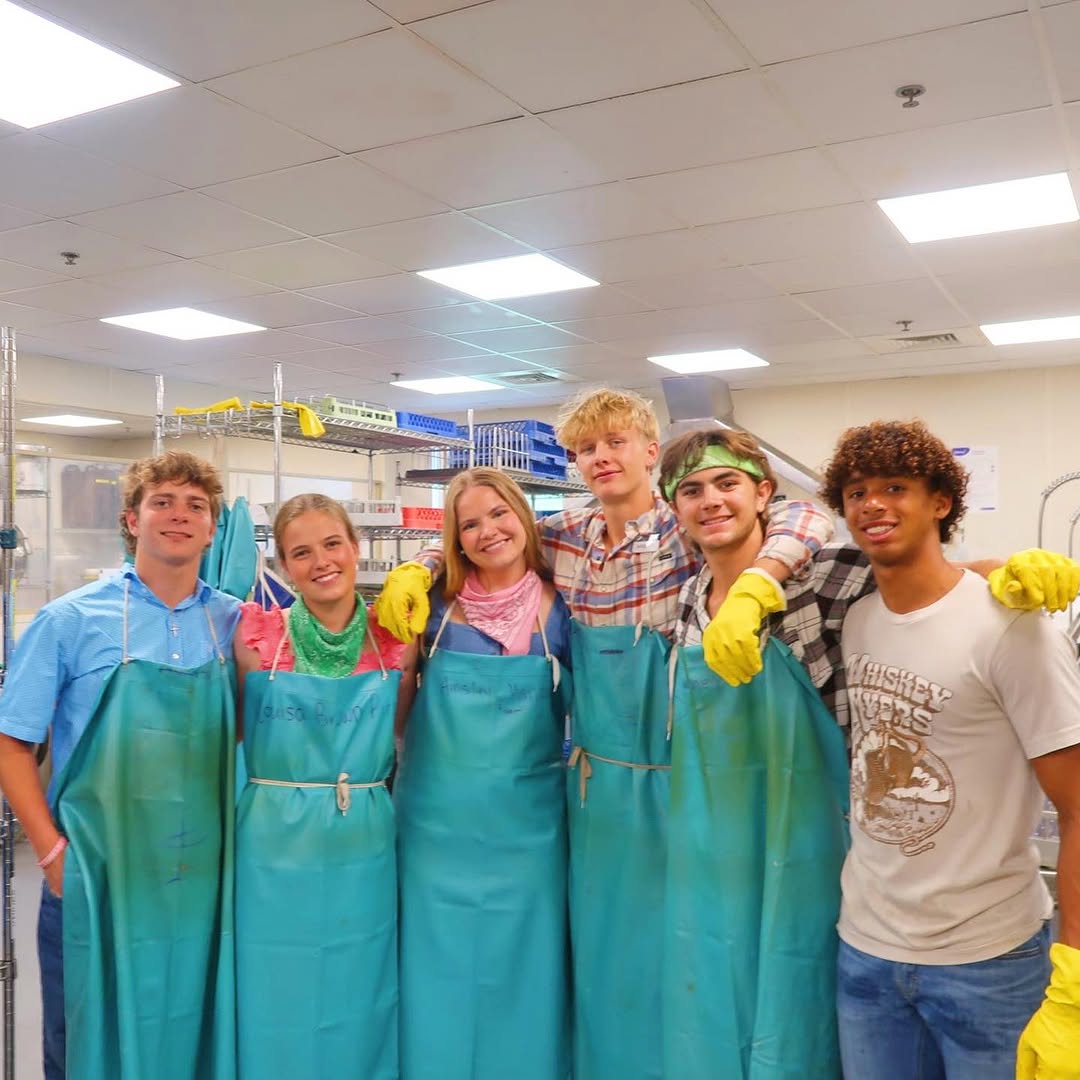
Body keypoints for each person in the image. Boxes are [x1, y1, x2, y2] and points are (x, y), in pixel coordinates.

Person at [378, 388, 834, 1080]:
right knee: (605, 958)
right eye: (586, 449)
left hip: (682, 778)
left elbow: (804, 515)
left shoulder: (687, 525)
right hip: (596, 791)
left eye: (616, 442)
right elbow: (488, 534)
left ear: (651, 450)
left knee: (687, 949)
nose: (601, 458)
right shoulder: (566, 538)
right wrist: (421, 566)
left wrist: (758, 582)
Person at [818, 419, 1080, 1080]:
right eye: (856, 492)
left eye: (895, 487)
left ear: (941, 503)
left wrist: (1074, 983)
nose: (872, 504)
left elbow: (1078, 808)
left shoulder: (1013, 630)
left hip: (988, 960)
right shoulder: (857, 619)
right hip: (865, 950)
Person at [0, 450, 241, 1080]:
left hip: (200, 879)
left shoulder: (235, 624)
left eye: (196, 505)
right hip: (96, 873)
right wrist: (52, 854)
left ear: (213, 528)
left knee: (192, 1029)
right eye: (162, 502)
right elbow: (10, 744)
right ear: (132, 520)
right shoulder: (69, 620)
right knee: (85, 1037)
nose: (179, 515)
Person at [393, 468, 572, 1080]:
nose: (488, 531)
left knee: (525, 971)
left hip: (529, 834)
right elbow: (398, 709)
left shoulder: (563, 607)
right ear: (455, 539)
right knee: (433, 972)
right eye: (469, 524)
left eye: (498, 514)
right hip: (434, 830)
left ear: (523, 516)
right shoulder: (433, 606)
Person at [232, 494, 408, 1080]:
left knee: (361, 983)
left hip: (364, 846)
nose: (322, 561)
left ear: (356, 548)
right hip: (274, 850)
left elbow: (405, 732)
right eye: (301, 553)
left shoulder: (395, 638)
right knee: (276, 987)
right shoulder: (256, 638)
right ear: (283, 566)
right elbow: (233, 734)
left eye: (332, 544)